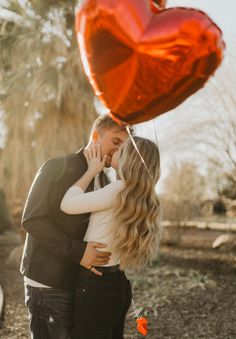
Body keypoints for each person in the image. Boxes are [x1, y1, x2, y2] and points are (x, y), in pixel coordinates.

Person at [20, 114, 130, 339]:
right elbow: (33, 219)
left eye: (124, 147)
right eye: (116, 142)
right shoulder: (57, 166)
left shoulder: (108, 182)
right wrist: (80, 252)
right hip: (48, 284)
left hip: (82, 287)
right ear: (95, 135)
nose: (118, 151)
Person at [60, 136, 162, 339]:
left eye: (119, 150)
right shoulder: (141, 195)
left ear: (129, 159)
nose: (114, 151)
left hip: (96, 286)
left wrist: (91, 171)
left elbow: (68, 204)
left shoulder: (117, 190)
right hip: (117, 284)